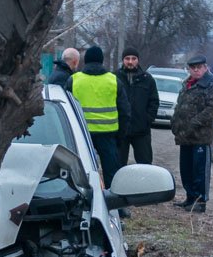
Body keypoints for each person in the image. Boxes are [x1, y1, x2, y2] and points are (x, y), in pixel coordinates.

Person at [67, 45, 130, 184]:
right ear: (102, 61)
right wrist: (120, 137)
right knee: (111, 174)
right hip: (108, 135)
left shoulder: (74, 80)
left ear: (85, 60)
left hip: (81, 134)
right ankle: (113, 204)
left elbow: (66, 107)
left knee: (80, 172)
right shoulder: (113, 80)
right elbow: (125, 112)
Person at [169, 54, 213, 213]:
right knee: (186, 170)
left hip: (200, 136)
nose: (196, 70)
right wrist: (175, 123)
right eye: (193, 68)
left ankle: (200, 201)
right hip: (185, 136)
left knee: (200, 171)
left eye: (199, 67)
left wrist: (194, 123)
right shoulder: (187, 84)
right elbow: (180, 106)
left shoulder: (212, 85)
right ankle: (190, 197)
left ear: (205, 68)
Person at [114, 46, 159, 165]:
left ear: (138, 60)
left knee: (145, 165)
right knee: (117, 165)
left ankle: (143, 184)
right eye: (127, 58)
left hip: (141, 131)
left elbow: (154, 101)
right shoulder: (114, 78)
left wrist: (147, 119)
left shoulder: (147, 79)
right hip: (120, 130)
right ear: (123, 60)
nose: (130, 61)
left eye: (133, 58)